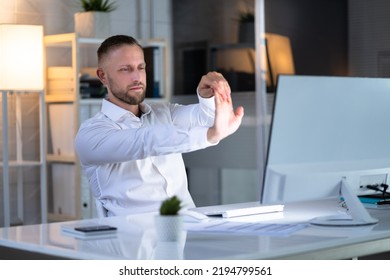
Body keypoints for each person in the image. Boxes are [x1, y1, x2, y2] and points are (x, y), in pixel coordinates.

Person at [75, 35, 244, 217]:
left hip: (189, 229)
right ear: (103, 76)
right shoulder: (91, 135)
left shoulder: (165, 113)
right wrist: (210, 136)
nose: (136, 77)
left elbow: (204, 119)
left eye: (141, 68)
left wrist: (209, 96)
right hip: (133, 239)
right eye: (125, 69)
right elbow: (145, 140)